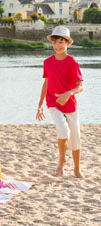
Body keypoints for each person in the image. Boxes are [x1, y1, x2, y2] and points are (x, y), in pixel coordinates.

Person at [36, 25, 84, 178]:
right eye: (55, 42)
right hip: (53, 102)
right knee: (63, 131)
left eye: (61, 42)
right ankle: (62, 161)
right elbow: (46, 83)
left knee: (75, 138)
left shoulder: (72, 62)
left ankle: (77, 169)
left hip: (70, 105)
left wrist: (68, 94)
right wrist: (40, 105)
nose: (57, 46)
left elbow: (80, 87)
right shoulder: (48, 62)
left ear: (68, 43)